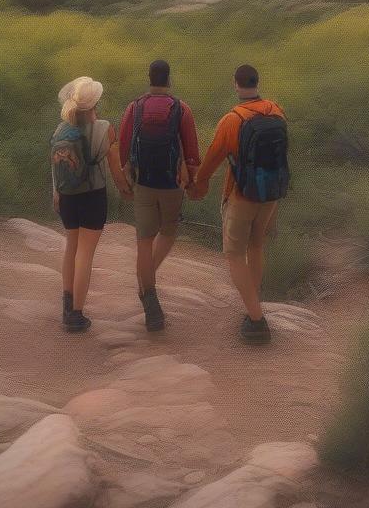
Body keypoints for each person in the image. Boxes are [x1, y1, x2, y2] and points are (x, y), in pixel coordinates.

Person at [188, 64, 289, 344]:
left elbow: (213, 157)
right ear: (257, 82)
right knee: (256, 245)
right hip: (271, 193)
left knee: (234, 255)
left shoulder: (232, 120)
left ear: (236, 84)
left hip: (242, 195)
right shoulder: (276, 111)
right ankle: (251, 305)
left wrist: (200, 182)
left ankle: (257, 320)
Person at [119, 59, 201, 330]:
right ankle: (147, 281)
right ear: (169, 79)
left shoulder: (135, 108)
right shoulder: (181, 109)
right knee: (167, 234)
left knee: (144, 241)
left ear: (149, 78)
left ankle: (150, 301)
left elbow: (123, 146)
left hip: (143, 183)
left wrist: (127, 179)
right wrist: (192, 181)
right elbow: (191, 152)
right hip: (171, 185)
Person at [51, 76, 133, 333]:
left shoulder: (60, 129)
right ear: (95, 102)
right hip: (92, 196)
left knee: (71, 247)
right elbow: (115, 166)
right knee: (85, 253)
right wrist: (125, 189)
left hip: (66, 196)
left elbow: (54, 167)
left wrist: (57, 194)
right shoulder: (105, 128)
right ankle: (76, 314)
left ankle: (66, 304)